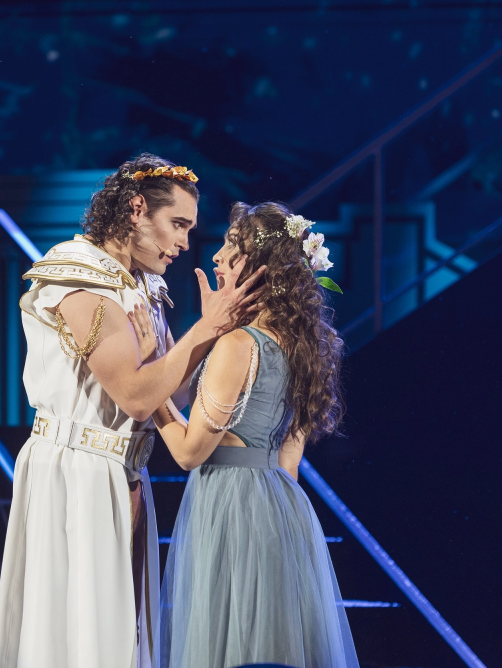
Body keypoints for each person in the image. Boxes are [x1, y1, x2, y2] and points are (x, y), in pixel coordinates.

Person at [0, 154, 265, 668]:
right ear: (137, 209)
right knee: (79, 638)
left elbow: (171, 397)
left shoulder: (141, 285)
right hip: (76, 473)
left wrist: (195, 342)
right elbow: (137, 398)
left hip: (125, 473)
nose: (184, 242)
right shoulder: (80, 280)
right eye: (177, 224)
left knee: (121, 636)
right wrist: (207, 328)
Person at [149, 201, 359, 668]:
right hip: (281, 507)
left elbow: (187, 453)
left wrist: (148, 391)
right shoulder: (303, 346)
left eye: (231, 246)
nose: (217, 256)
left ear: (258, 267)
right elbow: (288, 461)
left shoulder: (238, 345)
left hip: (231, 505)